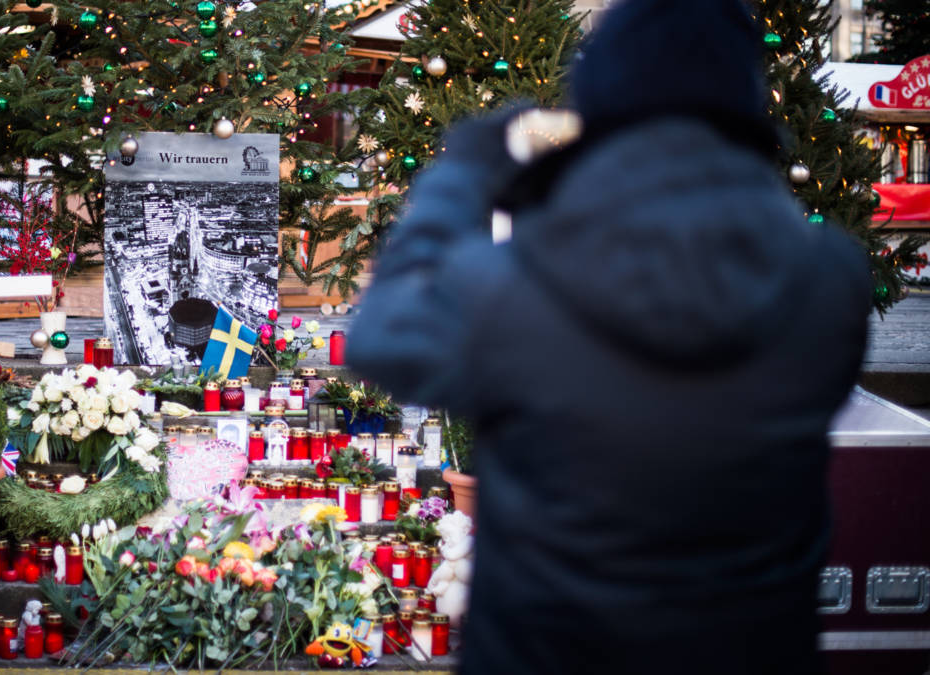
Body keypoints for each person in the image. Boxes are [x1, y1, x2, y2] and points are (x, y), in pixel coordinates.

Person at [345, 0, 873, 673]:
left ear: (599, 104)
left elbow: (382, 335)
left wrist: (465, 173)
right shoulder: (830, 283)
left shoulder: (517, 284)